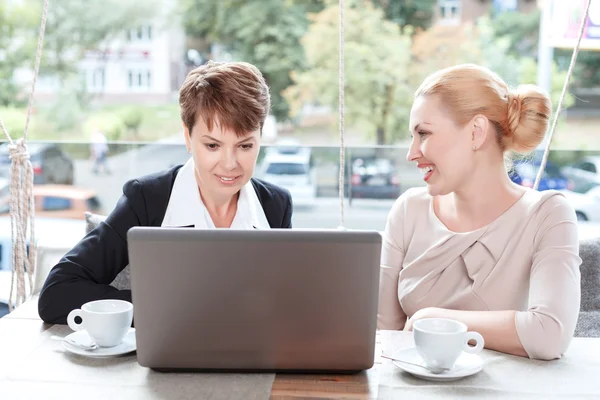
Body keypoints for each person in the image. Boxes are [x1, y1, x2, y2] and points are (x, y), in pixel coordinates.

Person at [38, 61, 293, 324]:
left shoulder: (276, 206)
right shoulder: (146, 200)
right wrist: (163, 307)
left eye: (245, 145)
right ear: (187, 137)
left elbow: (285, 301)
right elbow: (57, 294)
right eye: (213, 145)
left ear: (260, 138)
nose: (230, 163)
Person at [378, 64, 581, 361]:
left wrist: (432, 319)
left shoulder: (548, 215)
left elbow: (550, 335)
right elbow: (382, 338)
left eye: (423, 133)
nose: (412, 153)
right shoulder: (409, 210)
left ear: (476, 132)